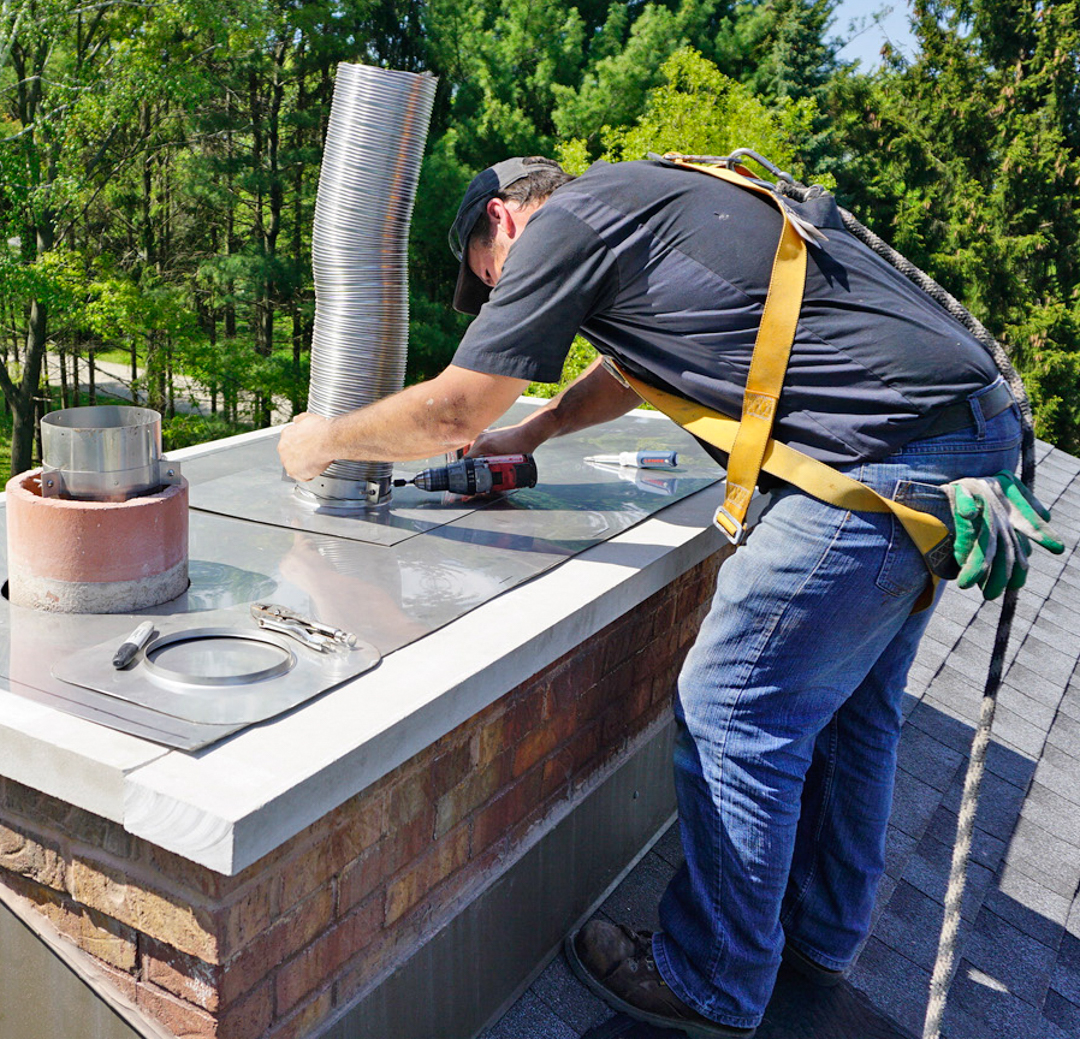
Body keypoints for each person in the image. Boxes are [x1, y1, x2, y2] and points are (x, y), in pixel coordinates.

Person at [279, 154, 1020, 1038]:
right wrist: (541, 426)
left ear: (504, 221)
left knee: (734, 708)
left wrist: (323, 441)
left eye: (491, 275)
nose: (503, 294)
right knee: (853, 712)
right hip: (962, 435)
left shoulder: (567, 223)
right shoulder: (644, 202)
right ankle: (819, 935)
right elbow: (632, 367)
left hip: (880, 459)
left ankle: (713, 978)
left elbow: (453, 413)